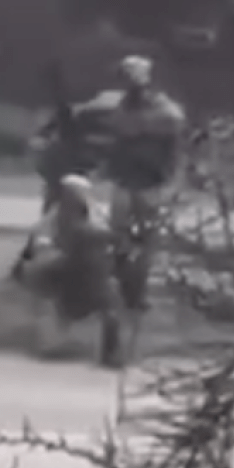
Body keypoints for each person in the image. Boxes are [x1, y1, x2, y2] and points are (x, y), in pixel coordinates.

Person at [74, 55, 186, 317]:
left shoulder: (163, 110)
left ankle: (136, 292)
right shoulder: (124, 107)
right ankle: (123, 288)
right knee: (120, 237)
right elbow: (116, 136)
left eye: (131, 79)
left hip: (150, 182)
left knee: (144, 241)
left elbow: (171, 136)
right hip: (127, 180)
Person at [15, 174, 125, 368]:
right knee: (53, 291)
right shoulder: (57, 217)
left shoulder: (91, 213)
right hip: (54, 269)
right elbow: (43, 249)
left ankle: (108, 349)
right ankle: (52, 342)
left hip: (82, 270)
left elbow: (95, 236)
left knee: (108, 295)